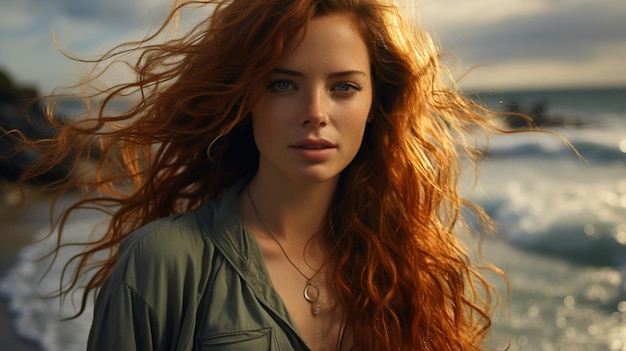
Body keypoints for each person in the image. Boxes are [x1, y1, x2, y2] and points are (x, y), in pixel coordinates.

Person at [16, 0, 508, 350]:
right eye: (283, 83)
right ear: (245, 97)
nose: (315, 112)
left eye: (343, 87)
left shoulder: (403, 267)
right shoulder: (162, 261)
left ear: (375, 104)